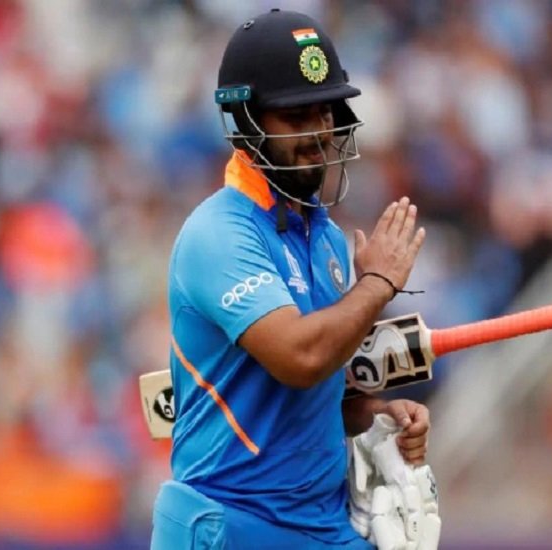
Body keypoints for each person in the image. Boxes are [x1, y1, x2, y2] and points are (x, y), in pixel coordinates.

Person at [150, 9, 430, 549]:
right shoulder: (219, 233)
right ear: (246, 123)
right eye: (296, 117)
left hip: (320, 526)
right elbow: (299, 358)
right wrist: (377, 283)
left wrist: (377, 416)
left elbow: (318, 394)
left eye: (324, 112)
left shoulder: (325, 239)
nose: (318, 133)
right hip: (232, 524)